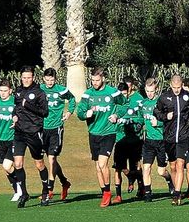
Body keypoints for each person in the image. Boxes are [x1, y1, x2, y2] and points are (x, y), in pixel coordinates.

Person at [76, 68, 123, 207]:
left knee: (103, 164)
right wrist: (86, 114)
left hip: (108, 133)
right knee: (98, 167)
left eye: (97, 80)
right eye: (92, 80)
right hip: (93, 133)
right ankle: (104, 192)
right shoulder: (87, 94)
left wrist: (116, 115)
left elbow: (125, 104)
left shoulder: (113, 92)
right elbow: (80, 112)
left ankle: (108, 192)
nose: (95, 83)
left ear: (103, 79)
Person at [153, 73, 189, 206]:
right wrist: (166, 116)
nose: (176, 89)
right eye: (174, 87)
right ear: (170, 85)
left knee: (180, 164)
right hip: (169, 137)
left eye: (179, 87)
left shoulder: (187, 97)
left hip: (183, 136)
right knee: (173, 166)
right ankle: (174, 187)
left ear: (182, 85)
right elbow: (156, 112)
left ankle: (177, 194)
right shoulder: (164, 97)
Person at [12, 66, 49, 207]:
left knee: (39, 164)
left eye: (29, 77)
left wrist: (28, 105)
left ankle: (45, 192)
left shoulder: (39, 93)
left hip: (34, 132)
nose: (26, 80)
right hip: (19, 132)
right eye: (24, 77)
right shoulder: (18, 91)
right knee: (18, 164)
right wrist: (14, 116)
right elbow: (15, 108)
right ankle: (24, 194)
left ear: (33, 77)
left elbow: (44, 112)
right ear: (21, 78)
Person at [40, 68, 74, 202]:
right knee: (49, 159)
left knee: (52, 159)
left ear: (55, 79)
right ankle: (64, 182)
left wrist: (69, 112)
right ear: (43, 79)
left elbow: (72, 99)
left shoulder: (61, 90)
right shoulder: (39, 89)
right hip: (41, 129)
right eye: (47, 80)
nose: (49, 82)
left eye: (52, 80)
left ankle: (49, 189)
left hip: (56, 129)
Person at [135, 76, 170, 202]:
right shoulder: (143, 104)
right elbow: (139, 117)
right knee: (146, 168)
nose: (150, 94)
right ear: (145, 90)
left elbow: (168, 120)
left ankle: (169, 180)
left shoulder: (161, 103)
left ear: (157, 90)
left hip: (161, 140)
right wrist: (138, 124)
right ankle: (148, 193)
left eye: (152, 91)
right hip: (148, 141)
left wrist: (159, 124)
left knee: (161, 171)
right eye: (148, 91)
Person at [112, 81, 142, 202]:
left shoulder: (135, 101)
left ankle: (141, 189)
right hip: (120, 140)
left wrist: (137, 123)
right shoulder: (115, 104)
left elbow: (141, 116)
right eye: (121, 94)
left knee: (136, 166)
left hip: (134, 140)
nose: (123, 96)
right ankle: (118, 195)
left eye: (125, 93)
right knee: (119, 168)